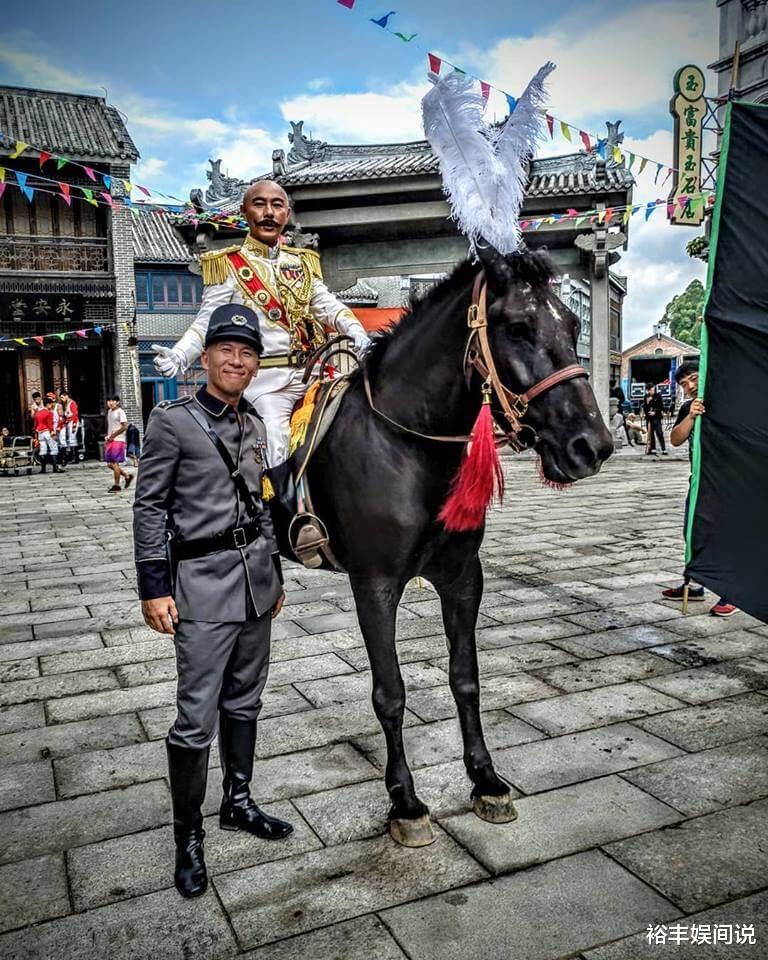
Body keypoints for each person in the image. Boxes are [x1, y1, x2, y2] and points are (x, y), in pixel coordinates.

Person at [133, 303, 292, 900]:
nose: (236, 359)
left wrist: (273, 573)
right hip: (199, 587)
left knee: (245, 701)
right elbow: (148, 507)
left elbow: (261, 504)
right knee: (196, 716)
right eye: (226, 350)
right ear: (205, 359)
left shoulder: (252, 424)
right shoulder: (172, 422)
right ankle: (188, 837)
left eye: (247, 352)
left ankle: (239, 801)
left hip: (255, 585)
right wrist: (154, 587)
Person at [150, 180, 372, 564]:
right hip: (265, 383)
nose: (269, 212)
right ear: (245, 212)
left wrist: (355, 330)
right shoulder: (231, 264)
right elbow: (207, 322)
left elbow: (328, 305)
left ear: (287, 214)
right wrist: (181, 355)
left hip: (313, 374)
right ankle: (290, 519)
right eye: (260, 204)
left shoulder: (302, 263)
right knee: (273, 432)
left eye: (277, 205)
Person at [660, 361, 737, 617]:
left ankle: (732, 593)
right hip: (699, 481)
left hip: (728, 482)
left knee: (726, 538)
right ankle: (694, 583)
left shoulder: (726, 402)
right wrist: (691, 416)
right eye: (684, 384)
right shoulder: (687, 407)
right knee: (692, 533)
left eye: (694, 379)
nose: (690, 386)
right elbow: (675, 439)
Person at [105, 395, 133, 492]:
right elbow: (111, 426)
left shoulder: (120, 412)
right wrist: (108, 437)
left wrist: (114, 435)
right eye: (109, 400)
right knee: (109, 464)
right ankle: (127, 476)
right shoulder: (109, 412)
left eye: (113, 401)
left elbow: (125, 426)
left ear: (117, 402)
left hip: (118, 440)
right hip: (111, 440)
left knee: (114, 463)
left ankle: (117, 486)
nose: (110, 403)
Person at [33, 396, 64, 473]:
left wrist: (36, 435)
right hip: (47, 432)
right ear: (48, 404)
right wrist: (53, 433)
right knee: (54, 449)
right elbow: (50, 424)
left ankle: (43, 469)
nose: (51, 406)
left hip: (40, 433)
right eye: (50, 404)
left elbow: (35, 425)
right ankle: (55, 468)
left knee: (43, 450)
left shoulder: (38, 413)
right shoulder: (49, 413)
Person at [642, 383, 667, 455]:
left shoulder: (658, 396)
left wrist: (655, 412)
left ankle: (663, 448)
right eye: (651, 390)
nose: (652, 391)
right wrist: (647, 402)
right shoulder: (646, 397)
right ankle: (653, 448)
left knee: (659, 432)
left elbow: (661, 406)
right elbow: (645, 408)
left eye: (653, 389)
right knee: (651, 433)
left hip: (657, 417)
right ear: (648, 390)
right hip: (649, 418)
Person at [59, 390, 79, 463]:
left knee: (72, 439)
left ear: (67, 396)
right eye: (61, 397)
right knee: (70, 439)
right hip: (68, 422)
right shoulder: (65, 404)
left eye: (62, 397)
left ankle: (75, 458)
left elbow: (75, 414)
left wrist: (74, 424)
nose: (61, 399)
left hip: (73, 422)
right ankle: (72, 457)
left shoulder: (72, 403)